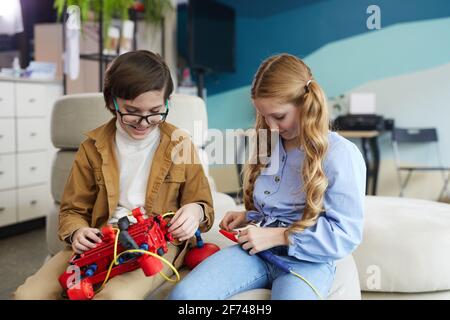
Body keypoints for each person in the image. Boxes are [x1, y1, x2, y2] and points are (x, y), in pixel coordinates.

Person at [13, 50, 214, 300]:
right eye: (132, 111)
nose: (143, 122)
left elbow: (203, 203)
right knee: (28, 295)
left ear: (167, 102)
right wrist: (77, 232)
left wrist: (195, 211)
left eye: (155, 111)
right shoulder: (91, 148)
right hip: (100, 241)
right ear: (112, 102)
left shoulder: (180, 144)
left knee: (115, 297)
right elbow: (72, 211)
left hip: (156, 245)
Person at [168, 53, 366, 300]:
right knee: (183, 297)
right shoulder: (270, 143)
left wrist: (279, 236)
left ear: (305, 105)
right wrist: (247, 216)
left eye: (279, 116)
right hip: (257, 252)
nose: (271, 127)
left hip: (307, 262)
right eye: (264, 116)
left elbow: (345, 235)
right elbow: (275, 207)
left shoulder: (341, 154)